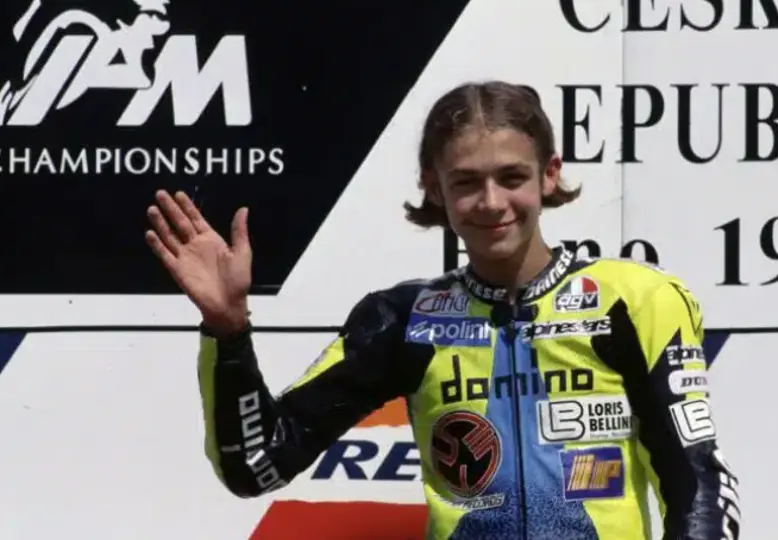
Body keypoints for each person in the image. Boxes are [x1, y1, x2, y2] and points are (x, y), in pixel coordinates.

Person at [145, 80, 741, 540]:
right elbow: (257, 466)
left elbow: (696, 481)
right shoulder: (403, 317)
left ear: (549, 176)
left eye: (512, 177)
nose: (491, 203)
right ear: (433, 187)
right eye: (465, 182)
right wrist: (229, 331)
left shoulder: (634, 300)